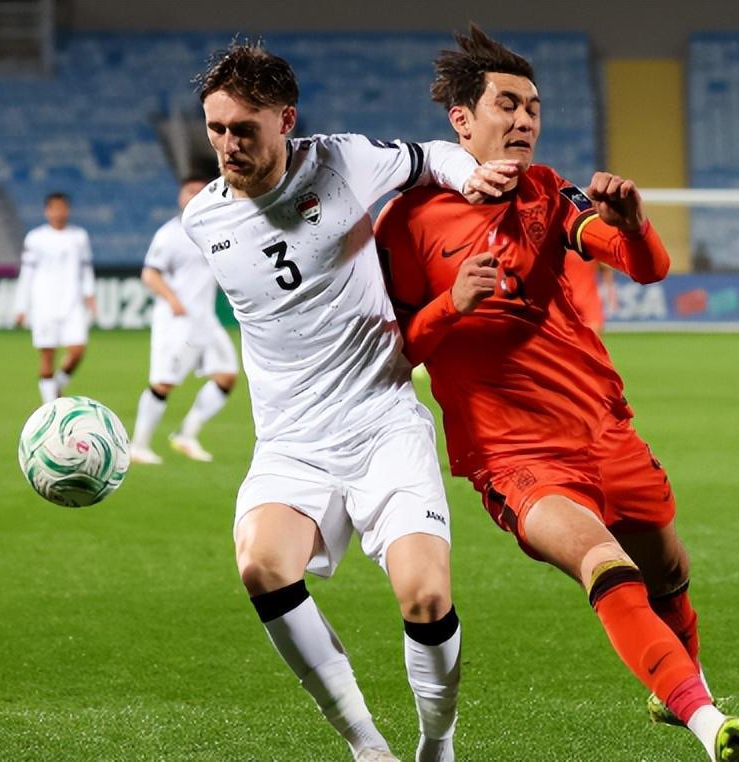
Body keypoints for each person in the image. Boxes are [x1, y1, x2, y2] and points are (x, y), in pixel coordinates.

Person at [374, 26, 739, 762]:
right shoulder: (406, 221)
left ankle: (679, 686)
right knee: (603, 562)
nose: (525, 119)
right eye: (507, 105)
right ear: (461, 120)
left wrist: (634, 225)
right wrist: (452, 305)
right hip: (513, 455)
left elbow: (645, 266)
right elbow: (391, 352)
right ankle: (709, 721)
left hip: (602, 426)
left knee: (669, 570)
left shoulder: (547, 190)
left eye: (534, 108)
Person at [181, 41, 515, 762]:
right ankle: (368, 747)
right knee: (262, 565)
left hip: (380, 419)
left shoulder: (340, 162)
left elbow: (429, 156)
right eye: (216, 129)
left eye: (244, 129)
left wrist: (470, 176)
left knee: (426, 597)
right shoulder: (201, 220)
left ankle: (437, 743)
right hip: (292, 442)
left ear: (285, 120)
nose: (228, 145)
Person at [129, 174, 239, 464]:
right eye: (190, 191)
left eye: (200, 191)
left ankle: (186, 435)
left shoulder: (214, 230)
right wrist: (173, 300)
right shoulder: (170, 234)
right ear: (180, 196)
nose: (194, 196)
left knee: (227, 375)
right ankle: (138, 445)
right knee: (164, 383)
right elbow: (150, 274)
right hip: (177, 321)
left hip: (205, 319)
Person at [14, 192, 97, 403]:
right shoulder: (35, 238)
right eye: (55, 208)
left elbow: (86, 268)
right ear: (47, 211)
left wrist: (90, 295)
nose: (59, 213)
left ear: (67, 210)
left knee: (77, 350)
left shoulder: (79, 237)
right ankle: (50, 405)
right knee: (47, 355)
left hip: (72, 303)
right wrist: (21, 306)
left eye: (62, 208)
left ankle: (56, 387)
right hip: (44, 304)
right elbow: (27, 274)